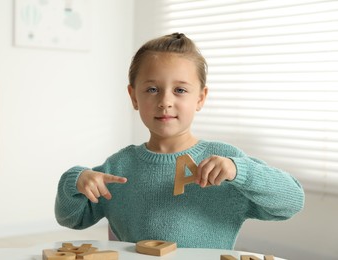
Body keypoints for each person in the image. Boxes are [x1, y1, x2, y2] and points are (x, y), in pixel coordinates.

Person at [55, 33, 304, 249]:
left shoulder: (226, 162)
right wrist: (75, 180)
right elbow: (72, 219)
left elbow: (291, 202)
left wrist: (240, 171)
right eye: (152, 89)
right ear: (133, 97)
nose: (165, 101)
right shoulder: (119, 167)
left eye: (180, 90)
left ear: (200, 98)